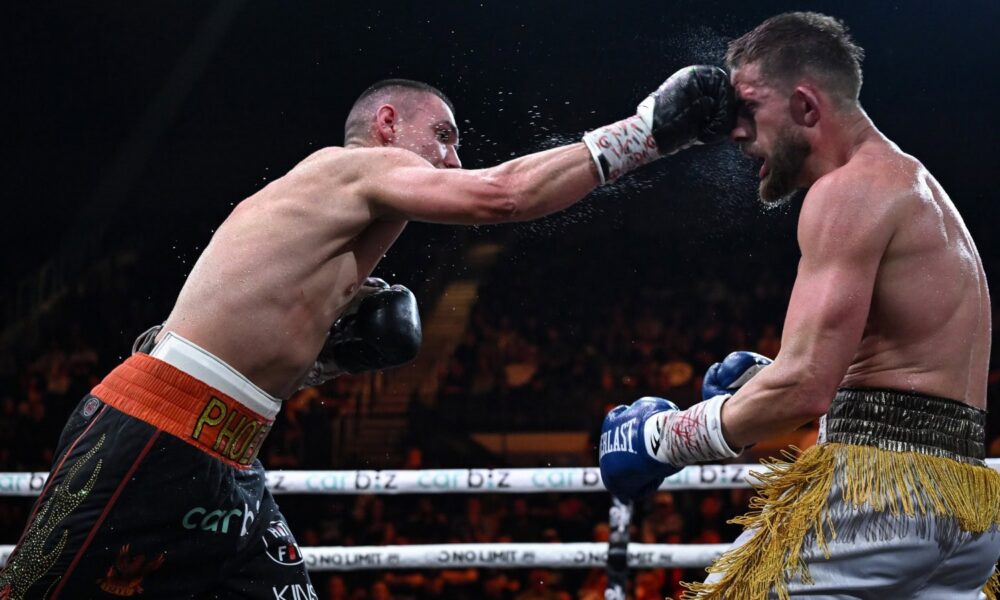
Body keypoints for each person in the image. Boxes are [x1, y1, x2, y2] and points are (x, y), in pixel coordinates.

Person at [0, 71, 735, 599]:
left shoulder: (335, 238)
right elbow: (501, 195)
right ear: (388, 125)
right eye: (442, 137)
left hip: (230, 455)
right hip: (154, 430)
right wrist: (645, 134)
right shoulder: (350, 170)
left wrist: (325, 360)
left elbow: (251, 343)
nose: (452, 157)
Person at [599, 12, 1000, 599]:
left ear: (807, 106)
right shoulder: (914, 188)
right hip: (966, 507)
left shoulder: (848, 190)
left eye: (750, 109)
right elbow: (895, 383)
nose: (735, 134)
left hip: (880, 497)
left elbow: (804, 386)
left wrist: (663, 438)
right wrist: (767, 382)